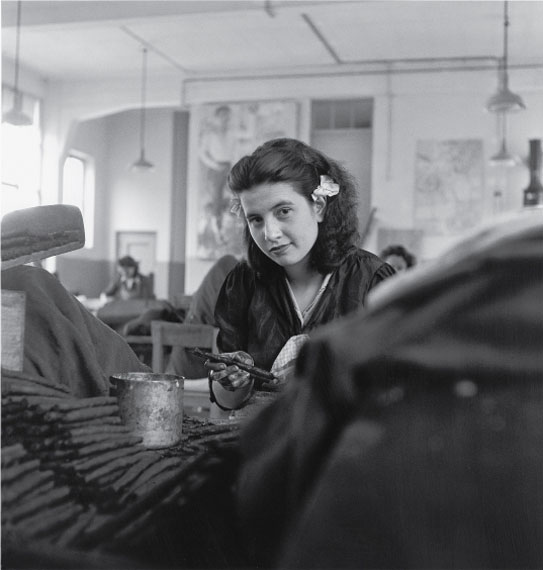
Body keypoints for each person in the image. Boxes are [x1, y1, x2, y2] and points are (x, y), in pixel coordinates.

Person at [205, 138, 395, 411]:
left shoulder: (372, 282)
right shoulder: (243, 282)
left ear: (318, 206)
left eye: (283, 211)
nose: (270, 234)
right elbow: (225, 402)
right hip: (261, 440)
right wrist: (234, 382)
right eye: (255, 219)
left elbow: (396, 395)